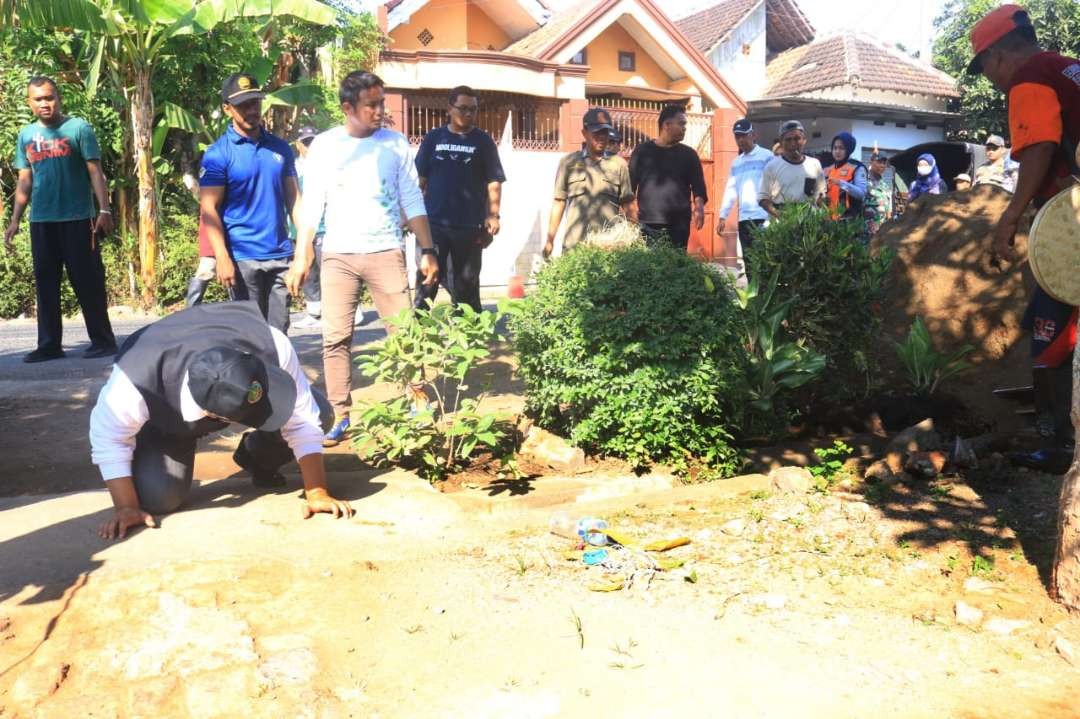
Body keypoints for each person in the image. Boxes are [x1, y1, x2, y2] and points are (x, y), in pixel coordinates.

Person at [89, 301, 353, 540]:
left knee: (320, 413)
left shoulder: (271, 342)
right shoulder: (133, 385)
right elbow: (109, 439)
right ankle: (159, 456)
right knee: (159, 499)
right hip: (163, 422)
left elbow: (303, 421)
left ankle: (255, 455)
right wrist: (126, 507)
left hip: (221, 362)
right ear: (215, 417)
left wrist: (317, 491)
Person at [286, 71, 438, 447]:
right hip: (338, 254)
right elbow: (312, 204)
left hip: (386, 250)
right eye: (371, 105)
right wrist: (301, 253)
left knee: (404, 333)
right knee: (335, 337)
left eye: (381, 103)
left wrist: (428, 249)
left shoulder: (395, 144)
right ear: (347, 108)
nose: (379, 111)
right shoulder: (325, 146)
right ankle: (340, 414)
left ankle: (417, 402)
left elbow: (412, 199)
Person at [970, 3, 1079, 472]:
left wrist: (1009, 218)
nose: (991, 79)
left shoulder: (1029, 77)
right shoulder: (1068, 68)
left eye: (985, 68)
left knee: (1050, 326)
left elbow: (1039, 148)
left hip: (1072, 223)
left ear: (997, 56)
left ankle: (1058, 446)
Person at [4, 76, 117, 363]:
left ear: (59, 97)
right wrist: (15, 220)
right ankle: (49, 345)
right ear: (30, 102)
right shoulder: (26, 136)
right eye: (39, 99)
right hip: (42, 220)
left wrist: (104, 210)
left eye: (50, 97)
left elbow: (95, 172)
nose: (45, 103)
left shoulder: (78, 128)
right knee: (46, 283)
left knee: (87, 280)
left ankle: (103, 341)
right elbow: (25, 180)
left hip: (79, 218)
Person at [199, 72, 300, 333]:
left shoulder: (280, 149)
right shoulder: (218, 154)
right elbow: (209, 208)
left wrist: (302, 249)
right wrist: (221, 257)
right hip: (242, 259)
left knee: (279, 336)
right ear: (227, 109)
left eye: (255, 103)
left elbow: (294, 199)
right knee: (250, 336)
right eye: (243, 105)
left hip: (280, 257)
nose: (251, 110)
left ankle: (277, 375)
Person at [413, 86, 505, 312]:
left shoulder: (483, 142)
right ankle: (419, 339)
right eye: (463, 108)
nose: (468, 114)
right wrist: (410, 215)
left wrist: (492, 214)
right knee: (427, 283)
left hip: (469, 228)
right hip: (433, 226)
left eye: (473, 109)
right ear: (449, 108)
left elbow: (494, 181)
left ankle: (469, 339)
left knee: (467, 286)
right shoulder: (433, 138)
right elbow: (419, 180)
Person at [545, 108, 636, 257]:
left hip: (608, 248)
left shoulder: (619, 164)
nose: (602, 137)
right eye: (596, 132)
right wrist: (550, 240)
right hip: (574, 247)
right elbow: (559, 202)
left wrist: (632, 237)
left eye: (605, 132)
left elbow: (628, 204)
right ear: (584, 133)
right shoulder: (568, 163)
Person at [629, 105, 708, 250]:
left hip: (679, 224)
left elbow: (698, 186)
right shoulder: (642, 152)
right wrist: (631, 214)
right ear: (666, 125)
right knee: (651, 268)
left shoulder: (689, 155)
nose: (685, 128)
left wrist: (699, 208)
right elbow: (630, 187)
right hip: (648, 223)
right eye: (681, 124)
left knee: (677, 267)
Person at [716, 118, 771, 280]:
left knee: (765, 259)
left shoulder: (766, 156)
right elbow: (731, 190)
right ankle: (754, 299)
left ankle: (767, 297)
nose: (740, 140)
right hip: (744, 218)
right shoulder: (736, 163)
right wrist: (722, 215)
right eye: (737, 137)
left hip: (763, 217)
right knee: (749, 260)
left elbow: (776, 186)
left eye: (744, 136)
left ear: (753, 135)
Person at [291, 125, 325, 328]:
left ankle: (348, 310)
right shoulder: (293, 168)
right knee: (309, 271)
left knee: (328, 270)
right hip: (300, 228)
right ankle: (314, 312)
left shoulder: (326, 165)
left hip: (323, 227)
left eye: (313, 142)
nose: (309, 147)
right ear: (298, 144)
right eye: (306, 143)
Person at [758, 120, 826, 218]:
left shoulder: (814, 164)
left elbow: (820, 195)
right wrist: (781, 216)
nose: (793, 143)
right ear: (781, 142)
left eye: (797, 139)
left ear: (804, 140)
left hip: (809, 223)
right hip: (781, 224)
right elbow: (763, 199)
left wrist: (822, 206)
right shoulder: (771, 167)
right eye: (788, 140)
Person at [824, 132, 867, 221]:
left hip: (849, 223)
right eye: (835, 148)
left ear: (848, 149)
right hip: (829, 222)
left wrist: (841, 183)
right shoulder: (828, 169)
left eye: (841, 148)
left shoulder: (857, 167)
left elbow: (861, 194)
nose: (837, 151)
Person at [864, 153, 894, 235]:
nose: (882, 165)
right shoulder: (863, 182)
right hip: (865, 233)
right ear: (871, 162)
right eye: (879, 162)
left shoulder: (886, 187)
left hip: (881, 233)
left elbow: (889, 212)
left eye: (884, 163)